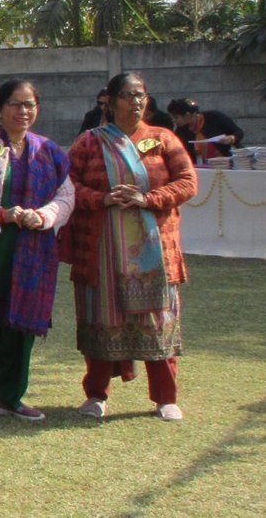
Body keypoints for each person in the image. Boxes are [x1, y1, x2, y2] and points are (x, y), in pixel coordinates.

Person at [64, 72, 197, 421]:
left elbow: (187, 181)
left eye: (140, 95)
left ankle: (165, 397)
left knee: (158, 320)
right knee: (102, 317)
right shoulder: (89, 143)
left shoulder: (163, 139)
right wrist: (103, 198)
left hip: (155, 252)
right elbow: (67, 185)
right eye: (126, 95)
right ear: (110, 102)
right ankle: (97, 395)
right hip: (102, 251)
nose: (135, 101)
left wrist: (148, 198)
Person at [0, 81, 74, 425]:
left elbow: (66, 195)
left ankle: (9, 397)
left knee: (23, 323)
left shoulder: (49, 151)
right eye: (14, 104)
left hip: (34, 250)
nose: (22, 111)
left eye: (29, 104)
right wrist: (1, 214)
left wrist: (44, 216)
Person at [166, 98, 244, 164]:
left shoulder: (214, 117)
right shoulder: (181, 130)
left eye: (176, 117)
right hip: (202, 168)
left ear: (187, 115)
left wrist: (231, 138)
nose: (173, 121)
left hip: (227, 163)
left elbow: (239, 132)